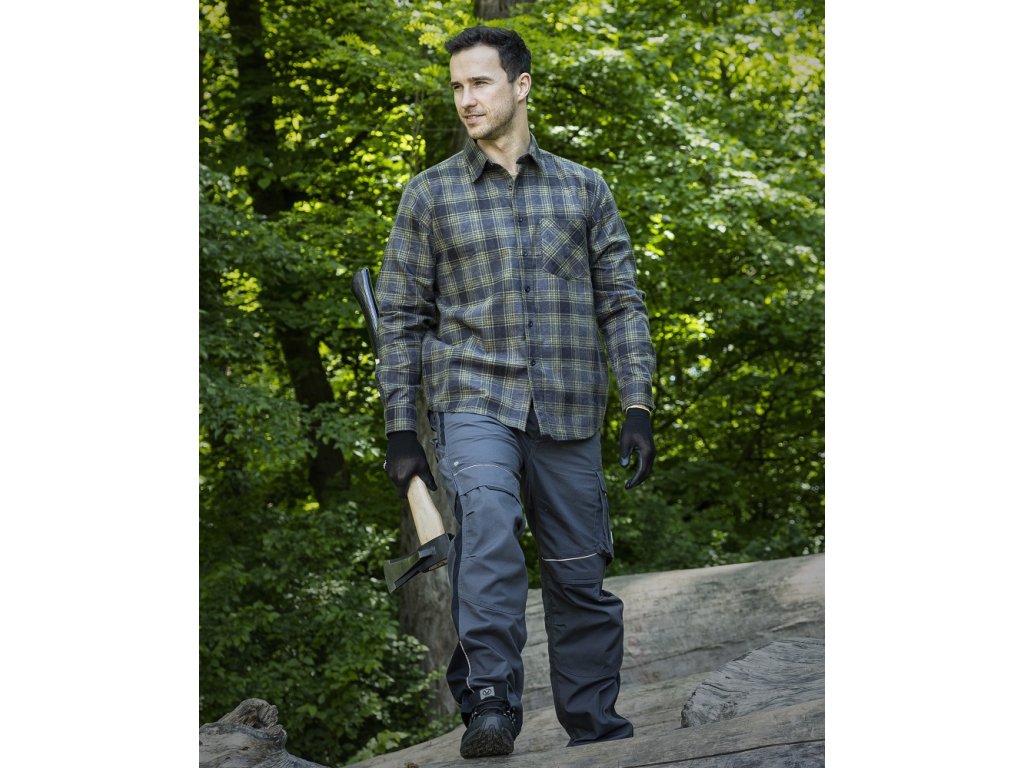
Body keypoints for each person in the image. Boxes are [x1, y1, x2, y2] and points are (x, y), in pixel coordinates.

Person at [375, 25, 656, 759]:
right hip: (473, 399)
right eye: (457, 86)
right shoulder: (430, 194)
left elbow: (621, 303)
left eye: (480, 83)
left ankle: (594, 727)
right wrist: (401, 427)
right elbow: (400, 319)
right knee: (490, 530)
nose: (466, 99)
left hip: (569, 405)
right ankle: (491, 703)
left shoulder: (583, 188)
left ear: (520, 85)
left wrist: (638, 404)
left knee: (578, 573)